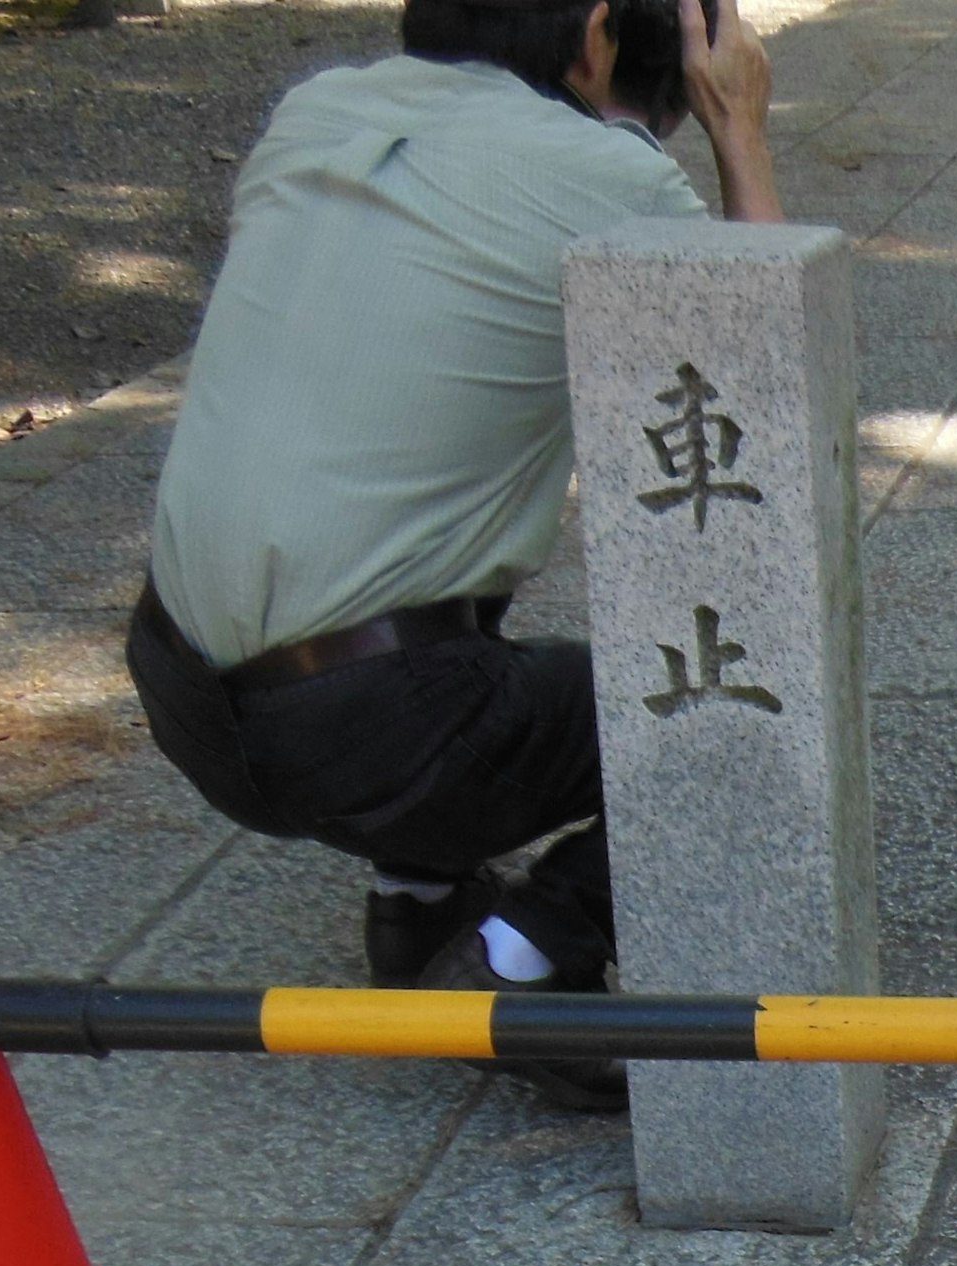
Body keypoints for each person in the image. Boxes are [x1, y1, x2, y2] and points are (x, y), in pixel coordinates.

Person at [124, 0, 784, 1106]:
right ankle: (518, 959)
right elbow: (765, 371)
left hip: (181, 691)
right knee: (746, 716)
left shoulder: (317, 111)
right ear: (594, 33)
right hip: (377, 726)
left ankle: (415, 906)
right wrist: (738, 132)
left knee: (426, 549)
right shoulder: (608, 181)